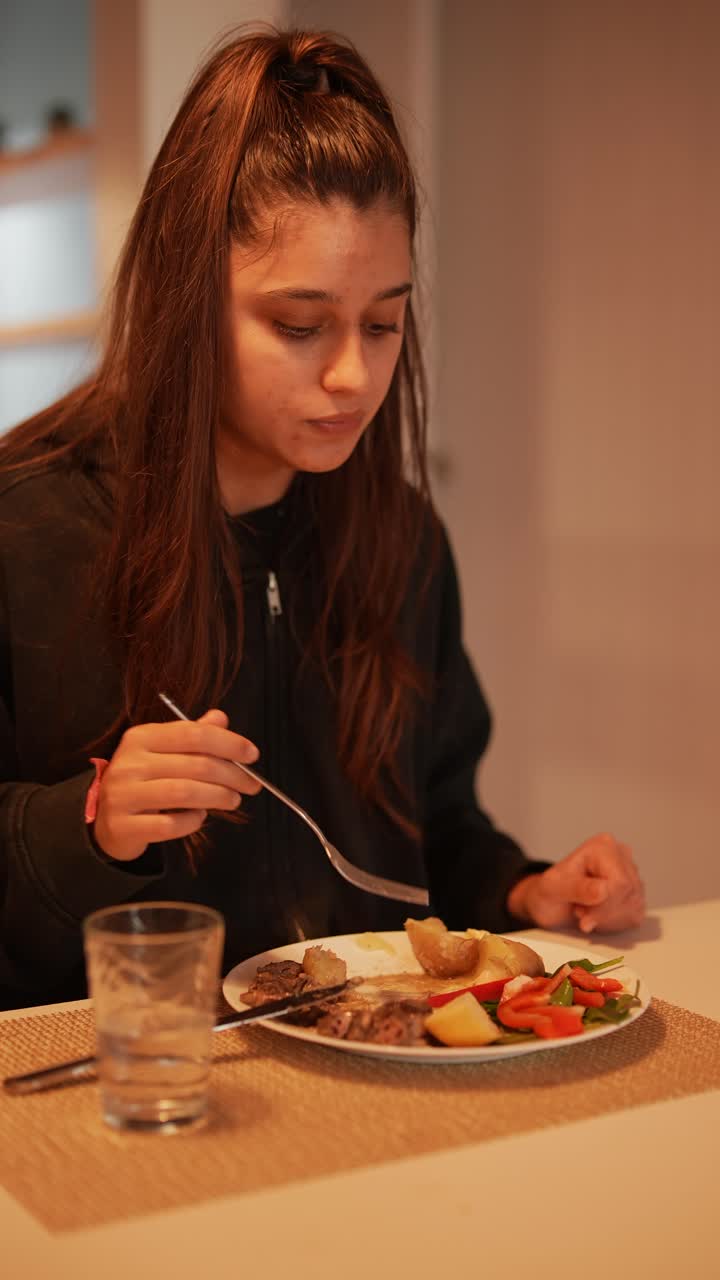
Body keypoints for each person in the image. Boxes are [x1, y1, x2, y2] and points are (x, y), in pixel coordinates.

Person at [0, 28, 644, 1010]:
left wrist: (525, 888)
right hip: (111, 1104)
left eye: (382, 322)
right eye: (299, 326)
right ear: (187, 299)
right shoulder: (29, 526)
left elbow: (431, 828)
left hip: (369, 1101)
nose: (353, 374)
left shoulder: (403, 542)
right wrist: (89, 821)